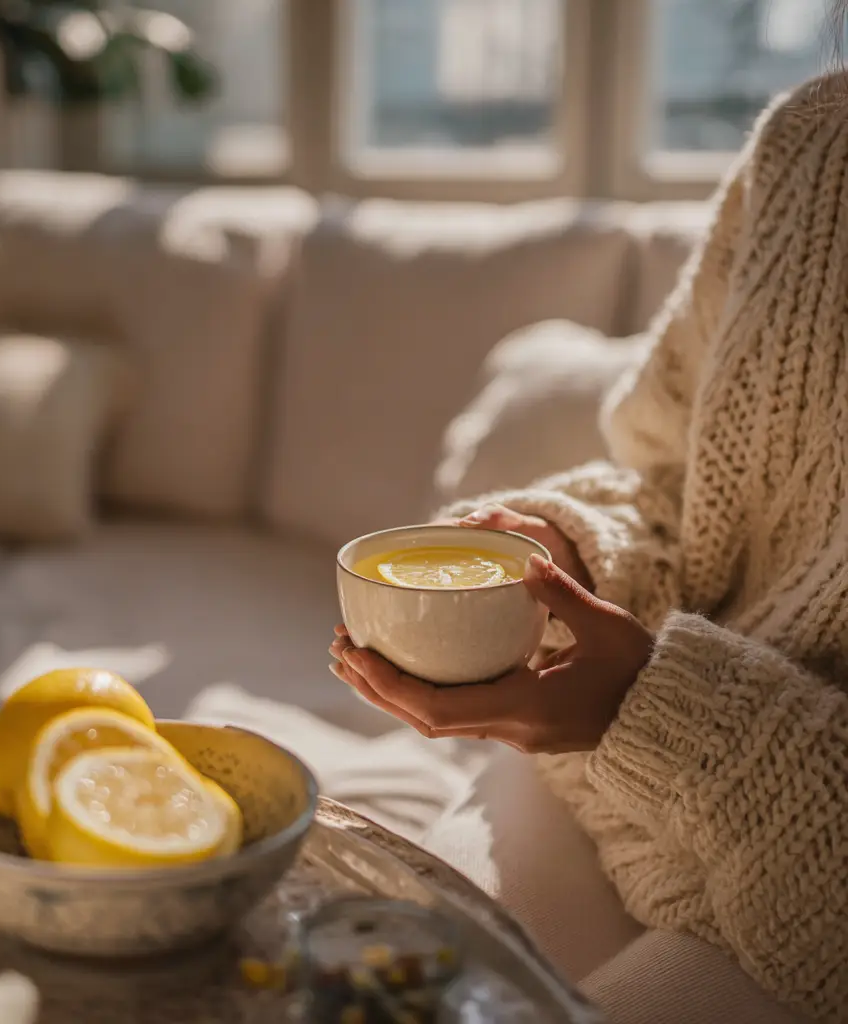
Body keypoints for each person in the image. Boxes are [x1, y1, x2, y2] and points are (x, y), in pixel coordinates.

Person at [329, 43, 848, 1024]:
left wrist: (645, 712)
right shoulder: (811, 147)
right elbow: (671, 495)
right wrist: (575, 551)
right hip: (609, 796)